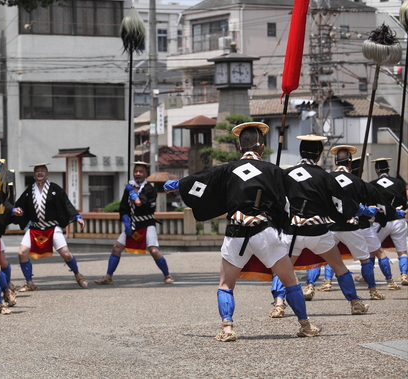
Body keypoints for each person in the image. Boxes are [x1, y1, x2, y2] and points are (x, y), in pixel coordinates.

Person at [164, 122, 321, 341]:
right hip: (264, 232)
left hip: (236, 232)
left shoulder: (227, 170)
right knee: (291, 281)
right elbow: (288, 200)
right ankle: (305, 324)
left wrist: (179, 184)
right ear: (262, 147)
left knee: (226, 284)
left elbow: (201, 179)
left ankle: (227, 329)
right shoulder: (273, 171)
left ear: (239, 148)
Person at [269, 135, 370, 318]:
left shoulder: (286, 174)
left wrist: (283, 223)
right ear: (319, 155)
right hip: (318, 231)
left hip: (293, 231)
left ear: (300, 152)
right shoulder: (324, 176)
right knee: (339, 267)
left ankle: (278, 305)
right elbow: (341, 203)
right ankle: (355, 303)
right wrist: (355, 212)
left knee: (283, 269)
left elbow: (277, 202)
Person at [325, 146, 390, 301]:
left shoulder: (326, 178)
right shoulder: (358, 181)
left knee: (326, 256)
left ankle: (319, 284)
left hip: (330, 225)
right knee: (365, 259)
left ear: (335, 161)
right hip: (351, 225)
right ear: (350, 163)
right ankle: (373, 290)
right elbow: (370, 202)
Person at [94, 161, 174, 285]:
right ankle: (108, 277)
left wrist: (132, 192)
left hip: (147, 223)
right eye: (135, 171)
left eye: (140, 171)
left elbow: (139, 203)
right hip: (132, 224)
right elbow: (123, 207)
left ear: (146, 173)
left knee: (153, 250)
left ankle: (167, 275)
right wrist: (125, 221)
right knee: (116, 248)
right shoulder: (129, 187)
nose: (137, 174)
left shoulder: (149, 189)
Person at [11, 163, 88, 291]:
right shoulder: (29, 190)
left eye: (42, 171)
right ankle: (29, 283)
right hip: (34, 228)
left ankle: (78, 275)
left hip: (52, 227)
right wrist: (15, 211)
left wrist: (77, 217)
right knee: (21, 253)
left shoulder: (55, 188)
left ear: (47, 174)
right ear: (34, 174)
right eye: (37, 171)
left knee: (66, 254)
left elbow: (66, 204)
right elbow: (20, 205)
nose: (39, 173)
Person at [370, 158, 408, 288]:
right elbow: (405, 202)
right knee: (402, 251)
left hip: (381, 222)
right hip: (399, 221)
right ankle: (404, 274)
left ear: (377, 170)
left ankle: (369, 275)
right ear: (388, 169)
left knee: (372, 249)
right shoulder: (399, 183)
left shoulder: (372, 184)